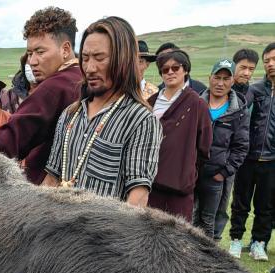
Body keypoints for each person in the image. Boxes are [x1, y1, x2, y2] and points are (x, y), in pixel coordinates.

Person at [43, 16, 161, 205]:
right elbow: (51, 180)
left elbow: (137, 200)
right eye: (85, 58)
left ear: (122, 60)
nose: (89, 68)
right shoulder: (70, 115)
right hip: (58, 232)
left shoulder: (141, 120)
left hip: (102, 234)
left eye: (99, 58)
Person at [0, 7, 82, 185]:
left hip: (51, 195)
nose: (32, 61)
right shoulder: (83, 78)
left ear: (65, 49)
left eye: (40, 52)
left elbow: (8, 141)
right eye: (30, 53)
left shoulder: (55, 86)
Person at [147, 50, 212, 220]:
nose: (170, 72)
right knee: (149, 232)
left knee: (179, 235)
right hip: (150, 181)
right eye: (164, 69)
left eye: (175, 68)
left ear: (186, 70)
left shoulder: (197, 104)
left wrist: (189, 172)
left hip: (181, 184)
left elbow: (204, 146)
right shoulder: (150, 103)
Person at [193, 59, 249, 240]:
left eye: (226, 79)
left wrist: (224, 172)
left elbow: (241, 147)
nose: (220, 83)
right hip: (192, 173)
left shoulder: (238, 111)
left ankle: (207, 261)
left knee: (209, 220)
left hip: (216, 176)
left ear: (232, 81)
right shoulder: (196, 104)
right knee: (189, 217)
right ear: (210, 78)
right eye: (217, 77)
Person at [229, 42, 275, 262]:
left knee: (266, 206)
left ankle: (259, 243)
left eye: (274, 60)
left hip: (272, 161)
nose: (271, 65)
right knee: (240, 202)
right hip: (248, 157)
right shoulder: (255, 90)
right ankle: (236, 240)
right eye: (267, 61)